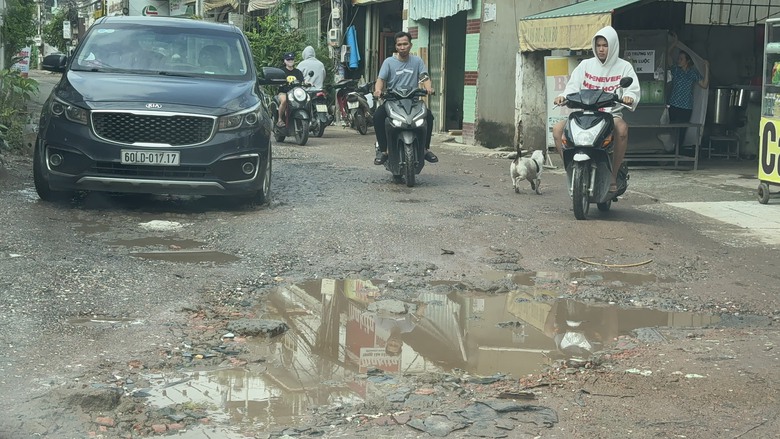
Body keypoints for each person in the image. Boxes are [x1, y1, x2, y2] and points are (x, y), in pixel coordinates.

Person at [552, 26, 640, 195]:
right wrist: (563, 96)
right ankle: (573, 171)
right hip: (584, 114)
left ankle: (613, 175)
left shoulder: (624, 67)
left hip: (610, 115)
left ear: (613, 46)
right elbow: (571, 88)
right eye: (598, 45)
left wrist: (629, 97)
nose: (601, 49)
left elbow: (632, 90)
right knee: (557, 130)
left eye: (605, 45)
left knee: (621, 129)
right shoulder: (585, 65)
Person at [372, 31, 437, 165]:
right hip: (392, 100)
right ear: (396, 46)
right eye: (399, 44)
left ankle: (425, 149)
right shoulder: (388, 62)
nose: (402, 47)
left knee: (429, 117)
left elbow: (424, 76)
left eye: (405, 44)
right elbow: (381, 79)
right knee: (378, 116)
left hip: (413, 101)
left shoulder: (417, 61)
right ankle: (383, 151)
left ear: (410, 45)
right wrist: (378, 90)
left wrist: (429, 88)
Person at [666, 32, 709, 149]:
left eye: (681, 59)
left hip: (686, 107)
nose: (679, 60)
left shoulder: (692, 73)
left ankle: (678, 153)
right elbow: (667, 55)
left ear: (687, 61)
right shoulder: (675, 70)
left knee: (682, 132)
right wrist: (674, 44)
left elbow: (704, 85)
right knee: (672, 130)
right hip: (674, 104)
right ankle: (671, 152)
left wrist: (706, 68)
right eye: (679, 58)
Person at [277, 51, 304, 127]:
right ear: (284, 61)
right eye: (288, 59)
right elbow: (277, 81)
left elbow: (303, 80)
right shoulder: (281, 71)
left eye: (292, 59)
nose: (290, 61)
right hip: (283, 92)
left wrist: (308, 83)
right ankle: (279, 119)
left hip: (295, 93)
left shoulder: (298, 72)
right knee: (284, 100)